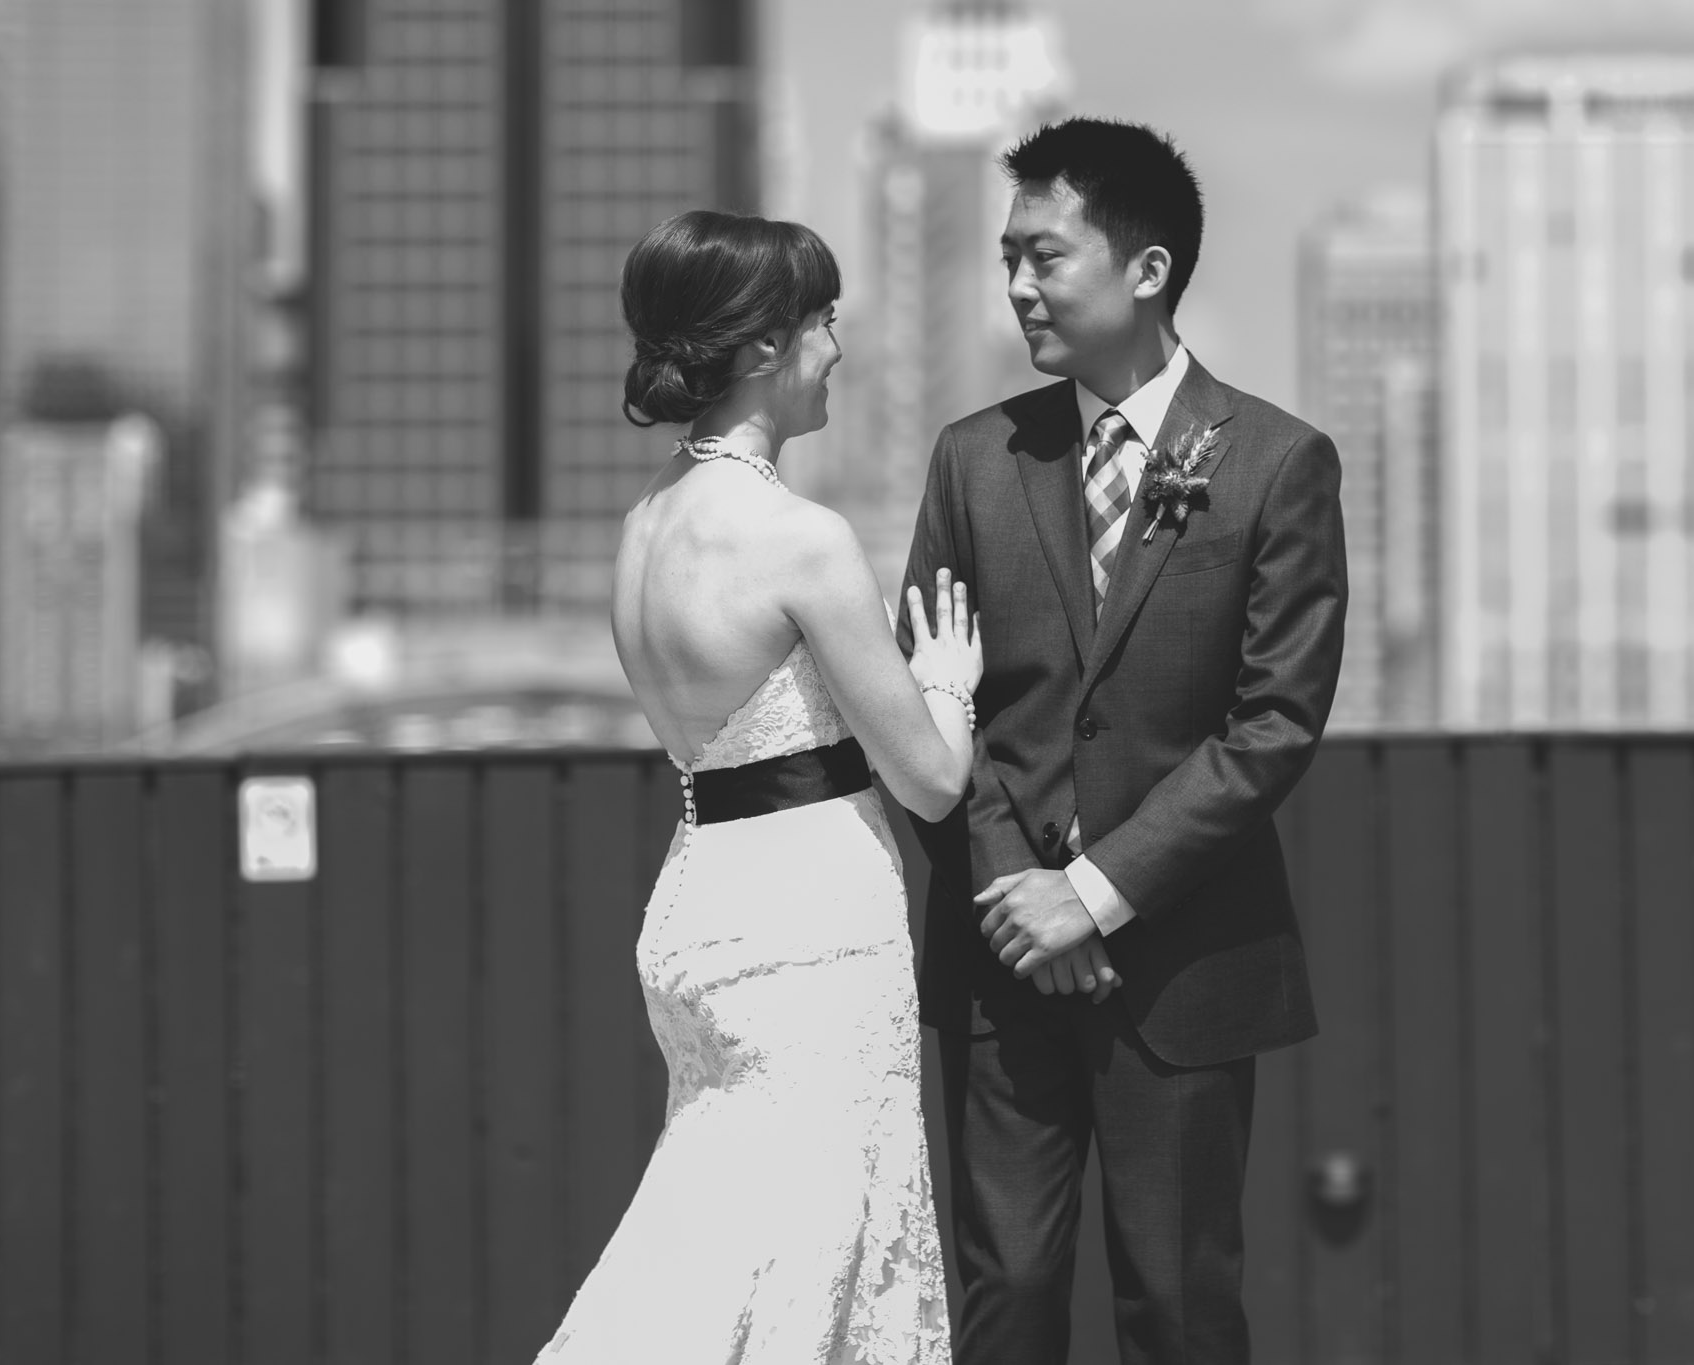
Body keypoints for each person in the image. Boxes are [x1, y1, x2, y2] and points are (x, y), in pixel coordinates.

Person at [896, 117, 1348, 1364]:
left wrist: (1091, 896)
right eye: (1006, 257)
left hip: (1182, 966)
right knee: (1005, 1296)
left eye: (1043, 255)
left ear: (1146, 269)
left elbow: (1272, 725)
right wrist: (1021, 898)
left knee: (1178, 1306)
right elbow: (930, 707)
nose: (1015, 284)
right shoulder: (972, 462)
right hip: (1000, 964)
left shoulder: (1275, 464)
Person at [536, 209, 978, 1365]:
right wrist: (949, 679)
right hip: (809, 930)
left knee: (702, 1235)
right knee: (818, 1255)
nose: (839, 346)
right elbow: (932, 779)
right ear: (767, 346)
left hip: (694, 905)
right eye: (824, 321)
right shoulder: (797, 539)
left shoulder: (643, 527)